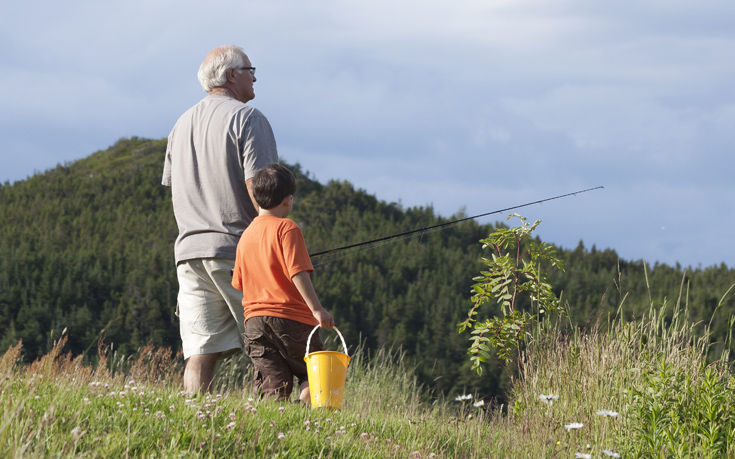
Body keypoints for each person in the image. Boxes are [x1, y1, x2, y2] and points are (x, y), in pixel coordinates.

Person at [162, 45, 278, 394]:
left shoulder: (179, 124)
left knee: (200, 353)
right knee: (269, 344)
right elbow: (264, 194)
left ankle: (193, 423)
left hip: (189, 254)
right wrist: (277, 249)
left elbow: (175, 186)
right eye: (250, 69)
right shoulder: (248, 118)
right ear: (231, 76)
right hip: (237, 251)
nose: (255, 76)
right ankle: (283, 423)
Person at [232, 163, 335, 402]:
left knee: (273, 384)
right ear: (288, 200)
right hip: (292, 321)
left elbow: (238, 282)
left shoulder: (245, 236)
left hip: (255, 324)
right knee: (315, 373)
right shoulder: (287, 228)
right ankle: (308, 420)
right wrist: (317, 310)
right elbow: (298, 272)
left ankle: (274, 428)